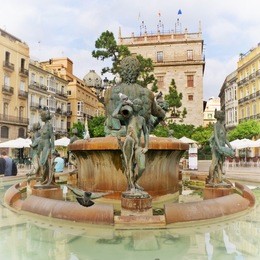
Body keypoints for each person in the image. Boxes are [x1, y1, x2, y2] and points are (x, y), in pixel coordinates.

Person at [112, 96, 149, 191]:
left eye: (139, 105)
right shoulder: (127, 117)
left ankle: (135, 182)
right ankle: (131, 185)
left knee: (142, 167)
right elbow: (114, 115)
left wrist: (146, 146)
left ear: (141, 107)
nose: (137, 106)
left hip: (138, 147)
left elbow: (146, 133)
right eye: (135, 104)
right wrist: (121, 103)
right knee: (129, 166)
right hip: (129, 144)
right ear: (133, 105)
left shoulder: (142, 119)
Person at [208, 109, 234, 184]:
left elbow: (225, 139)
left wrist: (230, 147)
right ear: (220, 117)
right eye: (223, 115)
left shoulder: (223, 126)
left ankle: (219, 179)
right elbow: (216, 136)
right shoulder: (216, 125)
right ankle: (210, 179)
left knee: (220, 163)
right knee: (214, 163)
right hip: (216, 147)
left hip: (222, 147)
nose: (224, 116)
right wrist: (219, 146)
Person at [37, 110, 55, 185]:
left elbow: (52, 137)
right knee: (42, 163)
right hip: (42, 144)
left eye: (42, 116)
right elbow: (41, 138)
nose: (41, 118)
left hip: (47, 144)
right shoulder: (43, 126)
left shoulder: (49, 126)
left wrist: (53, 148)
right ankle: (45, 178)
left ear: (45, 117)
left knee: (44, 162)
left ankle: (47, 178)